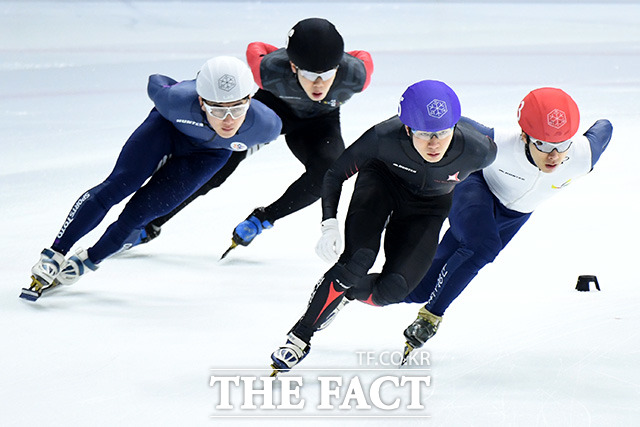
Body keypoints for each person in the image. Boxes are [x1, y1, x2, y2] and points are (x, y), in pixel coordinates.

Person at [269, 80, 497, 373]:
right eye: (425, 134)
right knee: (357, 260)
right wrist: (329, 223)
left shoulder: (479, 150)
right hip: (381, 185)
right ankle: (299, 337)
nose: (435, 144)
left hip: (427, 209)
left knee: (393, 290)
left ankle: (344, 294)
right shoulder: (383, 137)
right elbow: (335, 173)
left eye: (442, 133)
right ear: (407, 129)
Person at [22, 56, 282, 301]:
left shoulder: (266, 126)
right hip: (165, 131)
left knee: (142, 214)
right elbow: (156, 79)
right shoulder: (175, 100)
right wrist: (186, 86)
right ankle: (56, 252)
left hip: (207, 155)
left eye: (237, 109)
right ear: (201, 102)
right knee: (119, 186)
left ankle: (89, 261)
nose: (228, 120)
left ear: (249, 99)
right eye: (217, 109)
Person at [134, 18, 374, 257]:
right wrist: (287, 53)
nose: (319, 83)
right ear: (293, 66)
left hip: (319, 124)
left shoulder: (356, 75)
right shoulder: (269, 71)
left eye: (328, 72)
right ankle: (151, 223)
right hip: (271, 111)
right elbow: (256, 47)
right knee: (216, 171)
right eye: (310, 74)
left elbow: (360, 54)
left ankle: (263, 219)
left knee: (329, 172)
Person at [400, 87, 612, 358]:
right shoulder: (497, 143)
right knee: (483, 246)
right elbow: (450, 121)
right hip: (477, 189)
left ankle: (354, 289)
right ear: (524, 136)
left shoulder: (583, 155)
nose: (554, 157)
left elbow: (605, 128)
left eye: (561, 146)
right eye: (543, 145)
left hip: (514, 215)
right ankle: (430, 318)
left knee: (418, 289)